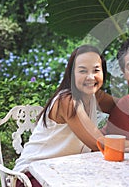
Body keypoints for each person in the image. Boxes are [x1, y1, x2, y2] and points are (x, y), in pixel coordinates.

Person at [13, 45, 110, 186]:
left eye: (96, 70)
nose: (90, 77)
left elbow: (128, 108)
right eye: (82, 71)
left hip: (62, 174)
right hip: (31, 177)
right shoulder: (68, 101)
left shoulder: (95, 96)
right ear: (72, 74)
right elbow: (98, 144)